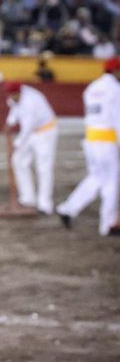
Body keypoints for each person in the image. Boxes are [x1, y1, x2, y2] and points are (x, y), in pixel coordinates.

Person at [56, 58, 120, 236]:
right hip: (107, 142)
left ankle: (67, 208)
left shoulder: (92, 88)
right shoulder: (115, 90)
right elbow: (117, 119)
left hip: (91, 140)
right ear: (116, 71)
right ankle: (108, 224)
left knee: (96, 178)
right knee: (110, 182)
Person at [4, 81, 58, 215]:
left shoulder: (31, 101)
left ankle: (45, 205)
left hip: (45, 132)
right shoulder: (14, 96)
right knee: (18, 161)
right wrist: (10, 122)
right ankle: (28, 198)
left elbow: (27, 127)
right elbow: (14, 108)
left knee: (43, 168)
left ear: (19, 92)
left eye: (13, 95)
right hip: (31, 133)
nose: (11, 97)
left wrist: (15, 145)